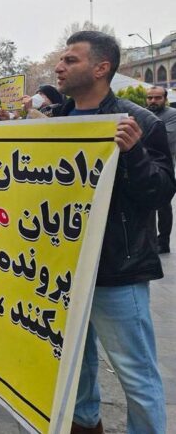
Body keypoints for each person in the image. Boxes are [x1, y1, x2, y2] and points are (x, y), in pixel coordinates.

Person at [54, 31, 175, 433]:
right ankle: (85, 424)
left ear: (101, 68)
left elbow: (160, 193)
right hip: (66, 267)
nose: (59, 67)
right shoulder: (58, 121)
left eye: (70, 60)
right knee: (75, 361)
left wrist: (134, 153)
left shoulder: (140, 123)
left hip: (117, 269)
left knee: (136, 374)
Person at [146, 85, 176, 254]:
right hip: (143, 165)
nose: (153, 101)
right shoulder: (141, 113)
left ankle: (163, 242)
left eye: (157, 98)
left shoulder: (172, 115)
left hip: (163, 166)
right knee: (146, 205)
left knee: (163, 205)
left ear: (165, 99)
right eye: (150, 97)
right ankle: (149, 241)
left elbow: (167, 139)